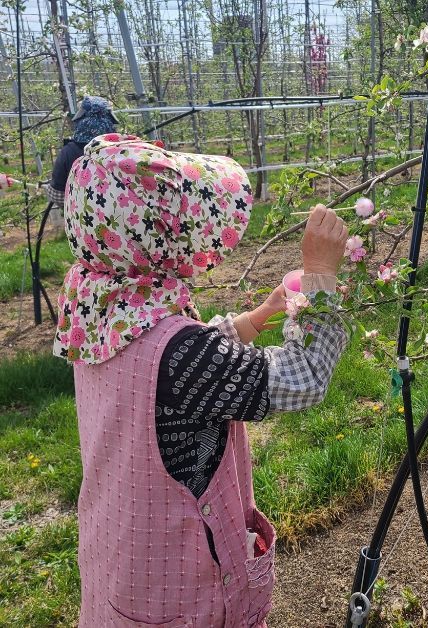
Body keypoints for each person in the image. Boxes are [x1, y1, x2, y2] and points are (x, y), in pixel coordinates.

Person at [53, 133, 349, 626]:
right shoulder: (184, 357)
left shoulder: (96, 309)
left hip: (121, 571)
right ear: (161, 239)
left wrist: (252, 320)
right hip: (184, 599)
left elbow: (164, 365)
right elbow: (304, 378)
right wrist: (320, 276)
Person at [46, 96, 118, 208]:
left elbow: (57, 194)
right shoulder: (123, 150)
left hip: (82, 214)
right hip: (118, 212)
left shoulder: (68, 152)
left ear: (80, 120)